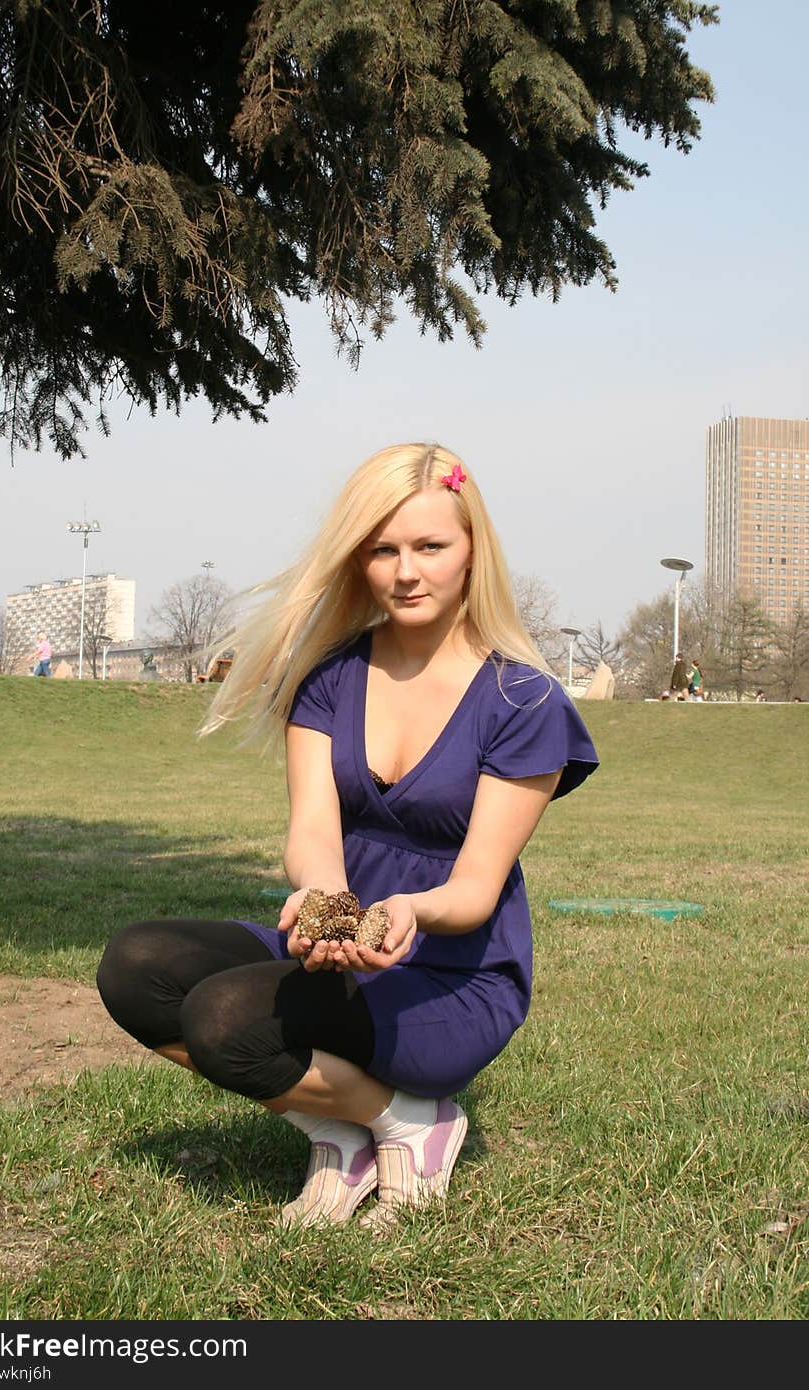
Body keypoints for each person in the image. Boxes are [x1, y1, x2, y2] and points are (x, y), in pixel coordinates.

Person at [97, 443, 599, 1230]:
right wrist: (324, 898)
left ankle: (418, 1125)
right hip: (337, 943)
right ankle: (348, 1129)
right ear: (357, 559)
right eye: (383, 549)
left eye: (431, 546)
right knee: (138, 968)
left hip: (450, 973)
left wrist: (411, 912)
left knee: (227, 1019)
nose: (407, 571)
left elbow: (473, 891)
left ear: (473, 553)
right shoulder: (329, 679)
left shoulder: (520, 700)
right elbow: (311, 831)